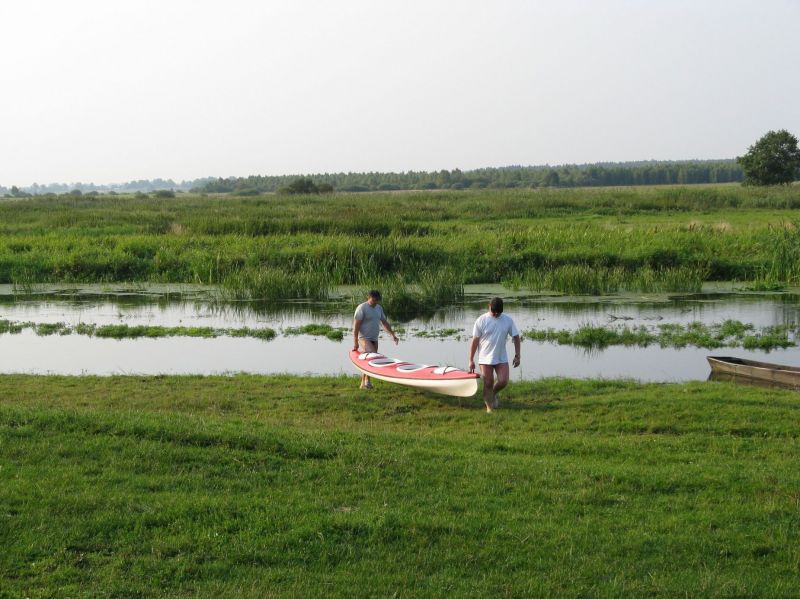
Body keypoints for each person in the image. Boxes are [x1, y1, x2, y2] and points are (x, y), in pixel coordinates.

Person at [468, 297, 520, 413]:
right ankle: (489, 408)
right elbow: (475, 341)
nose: (496, 315)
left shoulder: (508, 320)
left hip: (501, 357)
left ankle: (493, 393)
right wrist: (471, 360)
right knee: (488, 382)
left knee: (503, 381)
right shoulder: (481, 320)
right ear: (489, 306)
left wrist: (517, 355)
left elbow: (516, 337)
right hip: (485, 358)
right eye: (494, 312)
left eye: (498, 313)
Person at [352, 289, 399, 389]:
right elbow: (356, 326)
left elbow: (384, 323)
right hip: (363, 337)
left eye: (377, 300)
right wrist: (355, 342)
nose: (375, 302)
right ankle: (366, 383)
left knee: (370, 360)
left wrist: (392, 335)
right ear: (368, 298)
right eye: (373, 300)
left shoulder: (379, 308)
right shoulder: (362, 308)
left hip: (374, 338)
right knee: (373, 356)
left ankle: (364, 383)